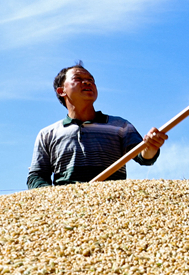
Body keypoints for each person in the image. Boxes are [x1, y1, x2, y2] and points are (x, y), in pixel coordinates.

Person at [28, 62, 168, 188]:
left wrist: (150, 146)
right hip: (66, 206)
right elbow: (37, 176)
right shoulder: (48, 134)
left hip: (112, 200)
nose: (87, 82)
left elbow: (143, 157)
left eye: (91, 80)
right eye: (78, 79)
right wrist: (51, 199)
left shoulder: (120, 126)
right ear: (61, 90)